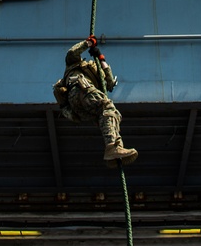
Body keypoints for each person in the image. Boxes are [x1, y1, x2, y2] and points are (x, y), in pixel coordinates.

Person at [53, 36, 138, 167]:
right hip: (81, 91)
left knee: (113, 115)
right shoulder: (74, 64)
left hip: (80, 108)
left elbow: (109, 83)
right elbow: (72, 52)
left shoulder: (97, 75)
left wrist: (100, 57)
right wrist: (88, 43)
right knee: (107, 107)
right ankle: (112, 147)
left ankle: (115, 147)